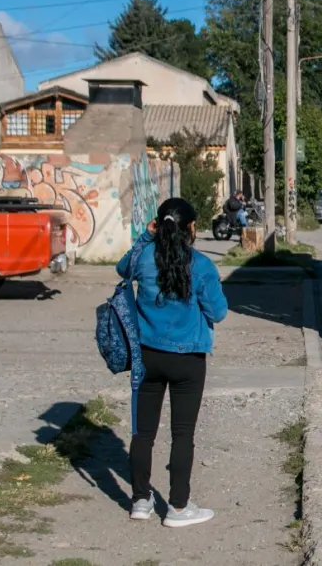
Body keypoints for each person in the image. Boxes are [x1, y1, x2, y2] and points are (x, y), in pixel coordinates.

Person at [116, 197, 228, 528]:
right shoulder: (203, 265)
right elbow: (218, 312)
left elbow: (122, 268)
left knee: (142, 433)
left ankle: (140, 501)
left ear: (159, 225)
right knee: (182, 433)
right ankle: (178, 508)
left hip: (146, 356)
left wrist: (145, 238)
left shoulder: (144, 258)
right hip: (188, 359)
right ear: (191, 228)